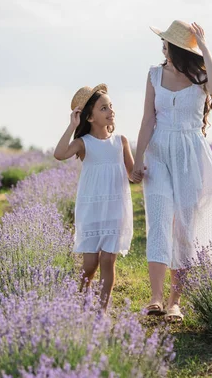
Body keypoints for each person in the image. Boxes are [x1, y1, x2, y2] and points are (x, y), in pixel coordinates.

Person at [131, 20, 212, 322]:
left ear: (177, 48)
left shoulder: (200, 76)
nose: (163, 48)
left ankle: (175, 301)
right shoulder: (154, 74)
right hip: (159, 151)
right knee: (159, 219)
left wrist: (205, 46)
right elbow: (148, 119)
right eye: (163, 43)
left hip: (191, 154)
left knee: (185, 224)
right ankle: (156, 298)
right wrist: (137, 159)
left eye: (167, 44)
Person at [54, 84, 134, 312]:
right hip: (91, 210)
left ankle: (101, 312)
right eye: (103, 108)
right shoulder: (83, 143)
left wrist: (148, 169)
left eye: (110, 106)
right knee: (89, 265)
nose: (110, 111)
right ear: (89, 117)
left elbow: (133, 174)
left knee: (108, 260)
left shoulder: (121, 141)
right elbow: (59, 154)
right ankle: (80, 303)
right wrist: (72, 126)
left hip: (115, 209)